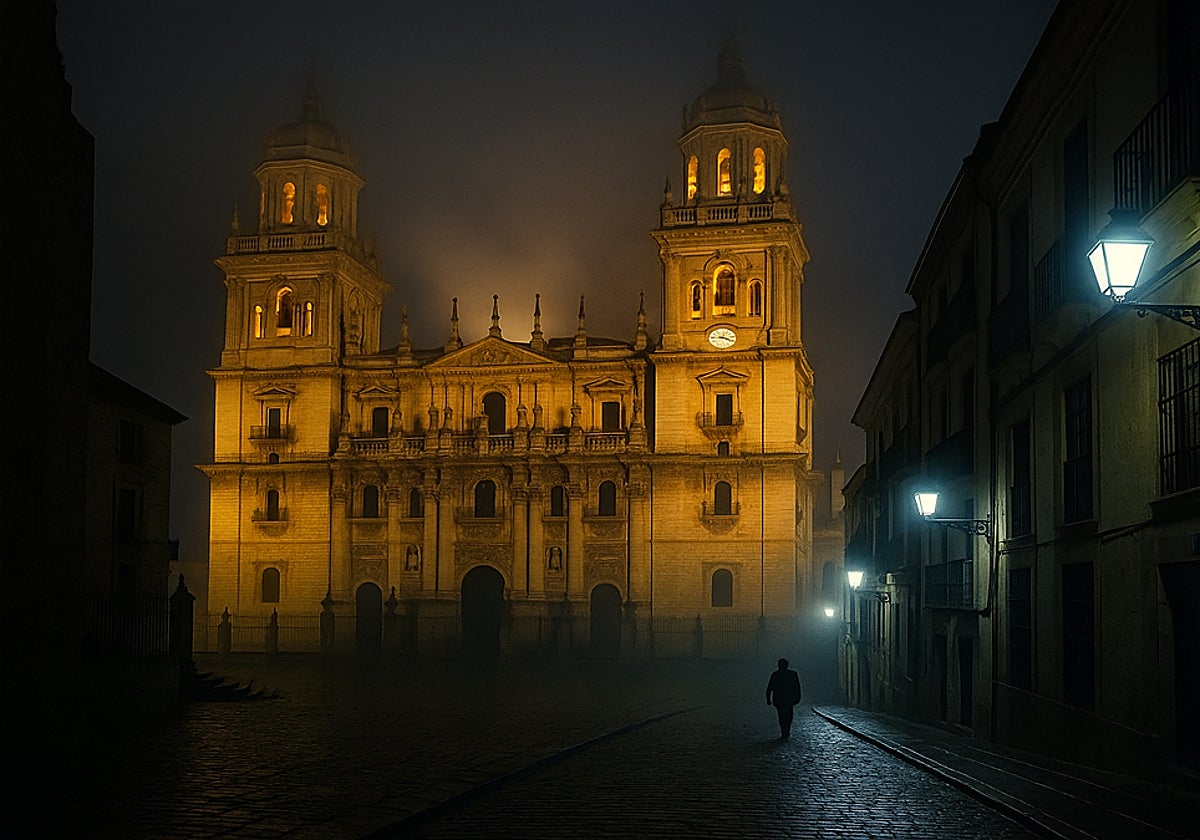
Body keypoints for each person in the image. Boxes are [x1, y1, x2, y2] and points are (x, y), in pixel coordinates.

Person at [765, 657, 802, 740]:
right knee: (788, 715)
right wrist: (798, 697)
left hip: (779, 699)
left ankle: (784, 731)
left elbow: (769, 688)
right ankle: (786, 730)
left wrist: (768, 698)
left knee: (781, 715)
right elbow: (797, 687)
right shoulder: (792, 674)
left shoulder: (775, 674)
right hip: (789, 699)